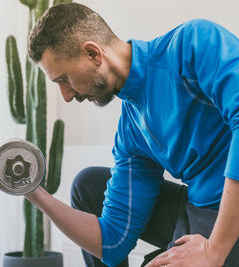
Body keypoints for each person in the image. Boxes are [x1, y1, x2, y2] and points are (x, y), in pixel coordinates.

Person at [23, 2, 239, 267]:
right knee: (88, 184)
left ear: (93, 53)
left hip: (228, 216)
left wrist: (213, 251)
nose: (66, 96)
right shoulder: (131, 129)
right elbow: (112, 242)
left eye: (64, 79)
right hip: (200, 209)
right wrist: (33, 191)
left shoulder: (191, 45)